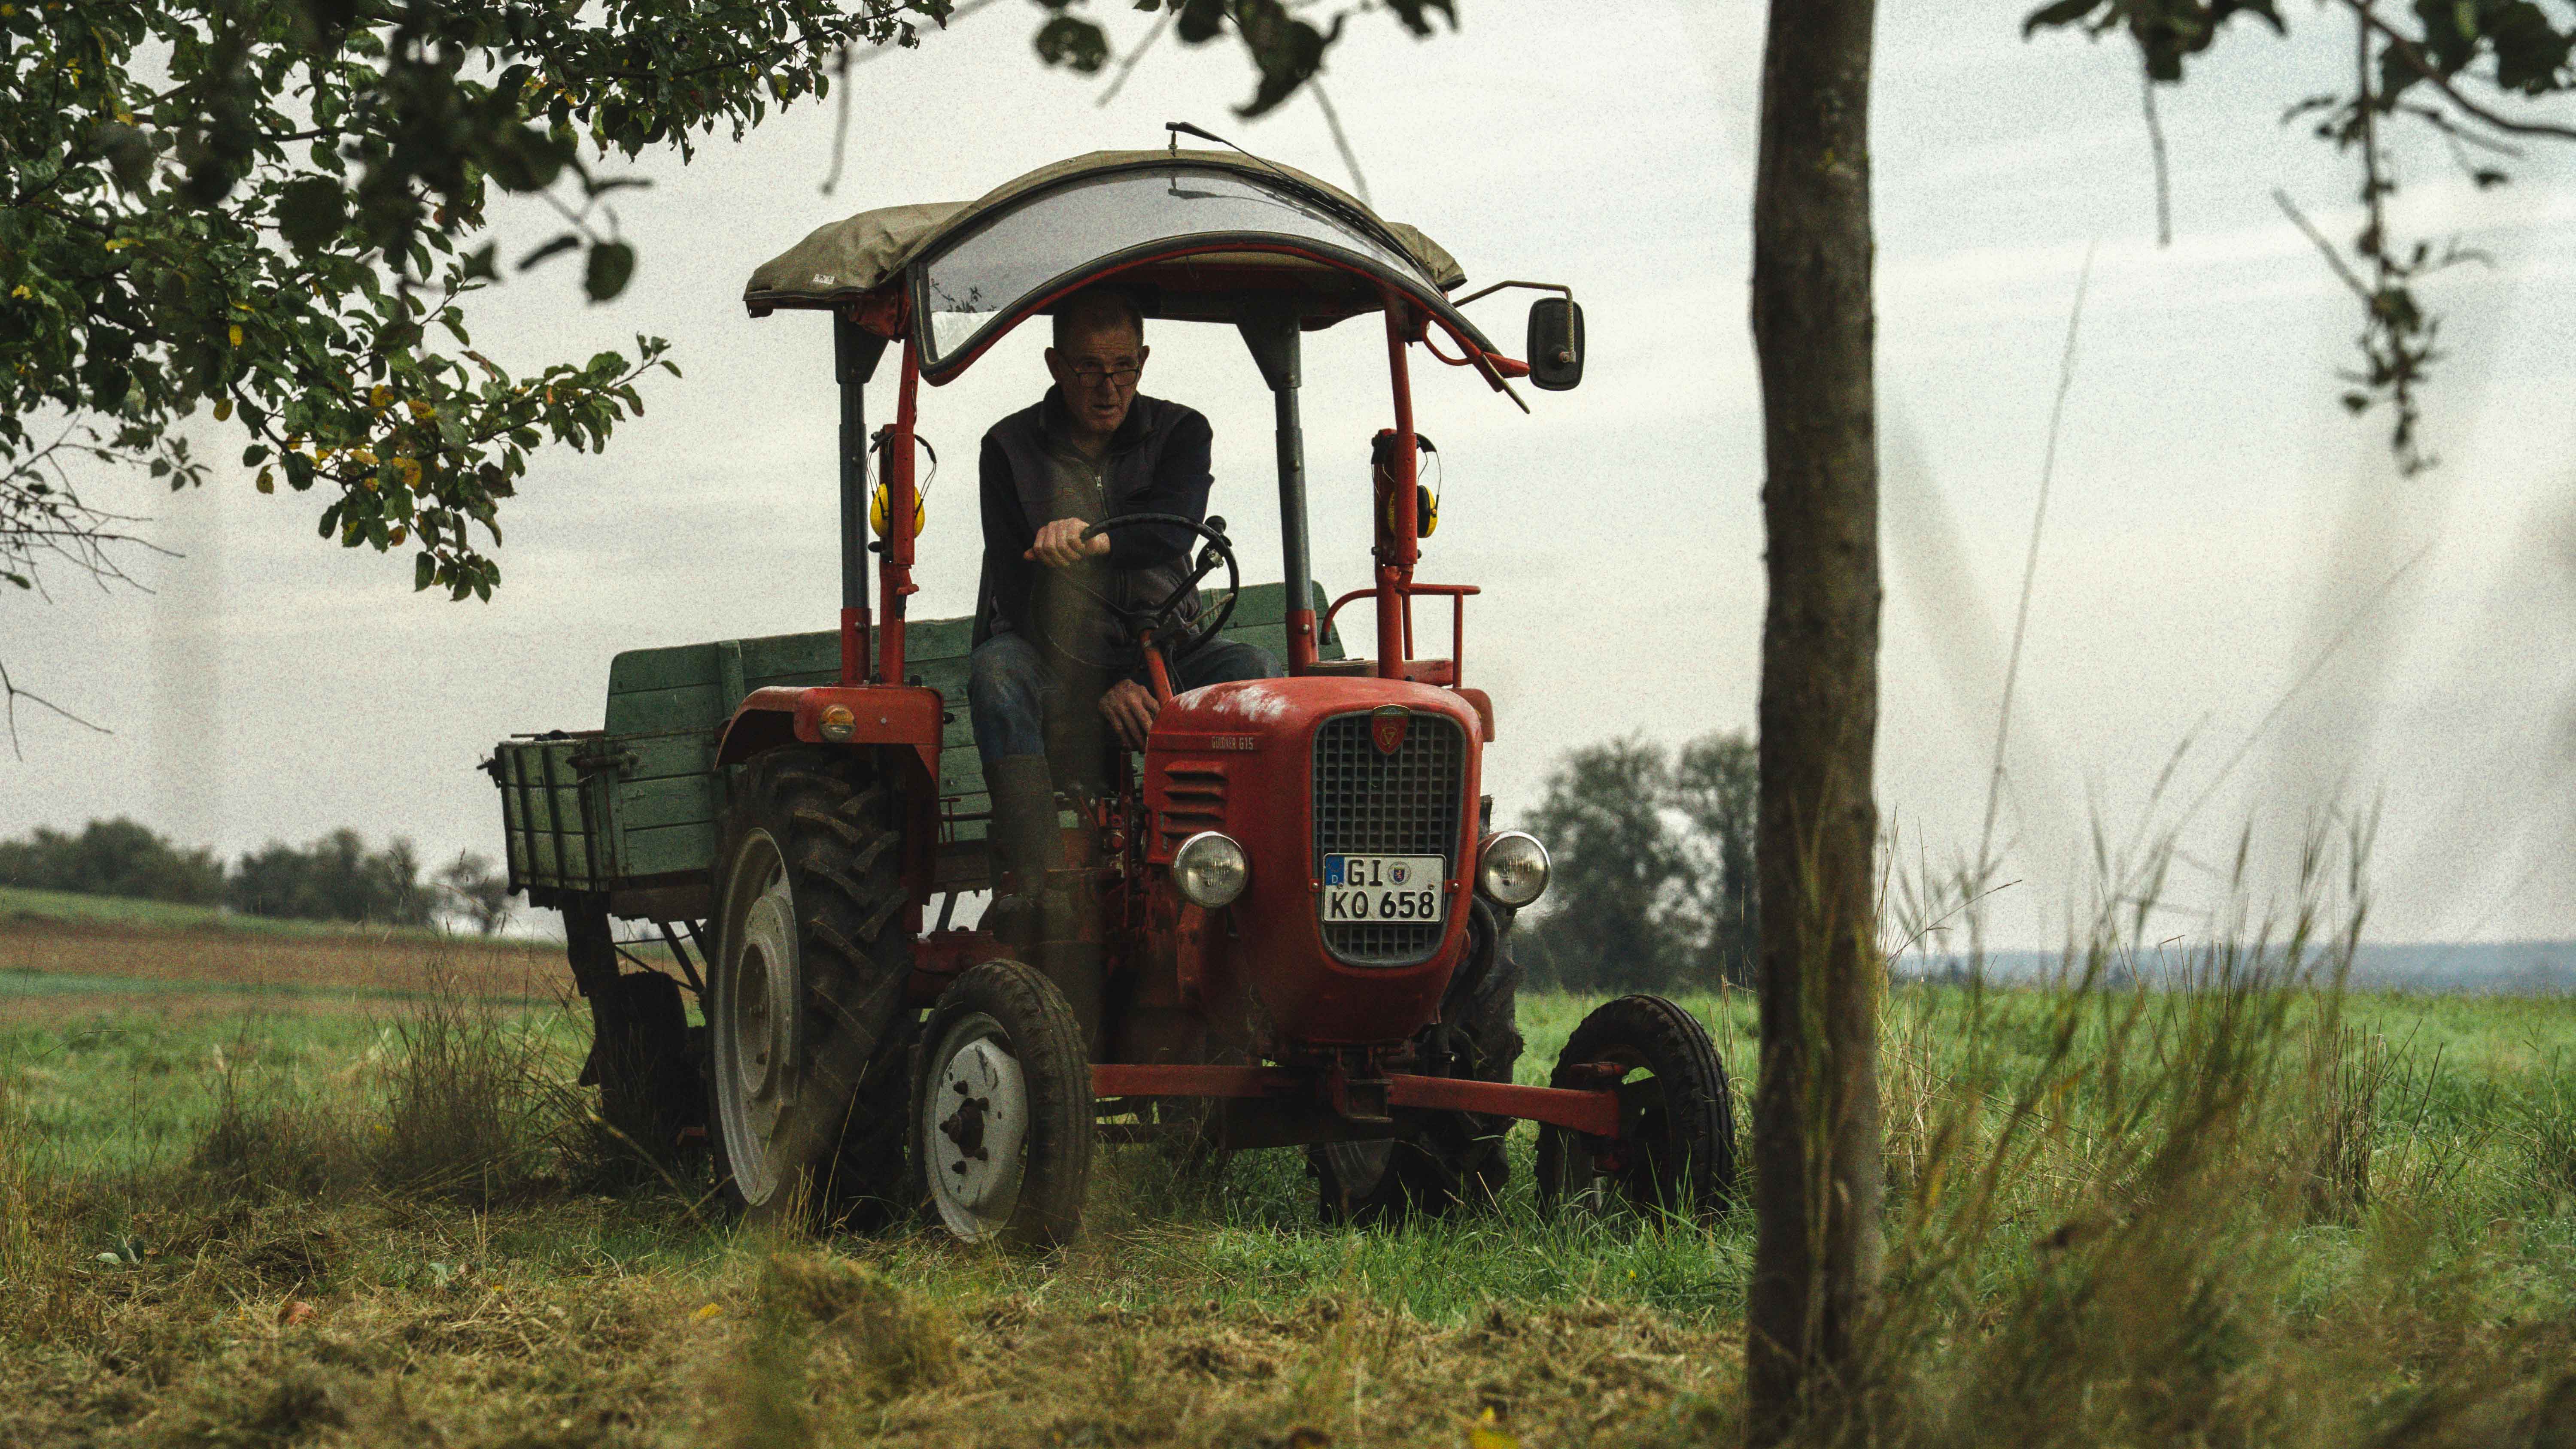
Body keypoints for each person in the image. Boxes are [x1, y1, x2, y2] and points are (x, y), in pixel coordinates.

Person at [967, 287, 1279, 934]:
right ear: (1056, 365)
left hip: (1167, 650)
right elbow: (1017, 592)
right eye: (1088, 369)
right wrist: (1101, 682)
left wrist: (1090, 542)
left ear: (1142, 360)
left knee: (1254, 671)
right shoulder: (1008, 447)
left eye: (1123, 369)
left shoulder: (1181, 431)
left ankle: (1227, 877)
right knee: (997, 672)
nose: (1107, 388)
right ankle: (1042, 889)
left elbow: (1171, 532)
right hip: (1054, 659)